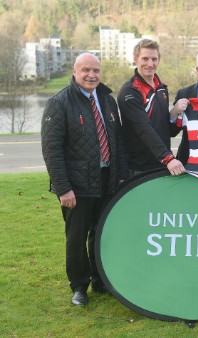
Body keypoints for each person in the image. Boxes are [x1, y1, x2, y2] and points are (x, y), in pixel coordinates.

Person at [41, 53, 129, 306]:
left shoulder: (107, 100)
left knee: (102, 233)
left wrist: (121, 176)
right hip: (76, 186)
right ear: (74, 71)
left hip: (107, 180)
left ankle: (101, 280)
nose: (92, 75)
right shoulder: (60, 102)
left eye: (96, 70)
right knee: (77, 237)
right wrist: (62, 188)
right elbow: (52, 149)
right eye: (86, 70)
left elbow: (118, 141)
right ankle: (79, 287)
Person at [117, 39, 185, 177]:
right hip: (139, 168)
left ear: (159, 60)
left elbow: (167, 131)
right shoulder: (129, 92)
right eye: (145, 59)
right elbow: (144, 129)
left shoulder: (161, 88)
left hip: (162, 165)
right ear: (136, 59)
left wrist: (175, 113)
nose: (150, 64)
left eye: (154, 59)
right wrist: (169, 158)